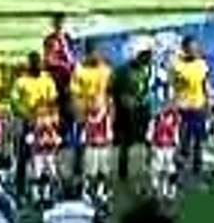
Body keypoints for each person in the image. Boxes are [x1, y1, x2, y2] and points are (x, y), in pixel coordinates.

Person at [11, 52, 58, 200]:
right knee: (23, 156)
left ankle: (46, 190)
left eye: (39, 63)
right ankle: (20, 189)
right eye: (34, 63)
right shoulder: (21, 81)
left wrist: (50, 117)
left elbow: (53, 100)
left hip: (44, 123)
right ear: (29, 64)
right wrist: (26, 115)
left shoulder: (47, 79)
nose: (37, 65)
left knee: (46, 156)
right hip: (27, 123)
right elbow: (14, 102)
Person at [71, 39, 113, 174]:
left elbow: (109, 93)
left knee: (102, 145)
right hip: (84, 112)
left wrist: (109, 113)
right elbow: (75, 94)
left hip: (102, 113)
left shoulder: (106, 70)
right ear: (87, 53)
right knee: (82, 144)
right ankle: (79, 173)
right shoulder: (79, 70)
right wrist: (79, 112)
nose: (97, 55)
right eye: (93, 52)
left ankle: (100, 177)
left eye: (98, 52)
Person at [111, 45, 152, 181]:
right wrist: (124, 101)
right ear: (138, 57)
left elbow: (145, 87)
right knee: (126, 142)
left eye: (149, 60)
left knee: (143, 139)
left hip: (140, 109)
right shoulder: (123, 70)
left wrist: (143, 99)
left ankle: (142, 166)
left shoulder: (145, 69)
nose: (147, 62)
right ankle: (123, 170)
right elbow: (114, 90)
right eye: (145, 58)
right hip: (125, 111)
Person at [171, 36, 210, 176]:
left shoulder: (203, 64)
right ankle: (178, 172)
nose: (194, 50)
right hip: (183, 109)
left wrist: (208, 103)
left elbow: (206, 85)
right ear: (184, 49)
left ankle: (197, 171)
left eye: (195, 47)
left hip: (198, 108)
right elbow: (174, 85)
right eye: (190, 48)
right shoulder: (177, 65)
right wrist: (180, 82)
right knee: (183, 142)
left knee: (199, 142)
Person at [43, 12, 76, 133]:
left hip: (63, 80)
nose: (60, 26)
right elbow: (48, 60)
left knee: (65, 108)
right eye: (58, 23)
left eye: (62, 23)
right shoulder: (51, 39)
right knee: (61, 107)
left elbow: (72, 58)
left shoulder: (66, 38)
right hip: (57, 81)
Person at [28, 106, 63, 207]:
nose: (43, 120)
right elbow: (30, 140)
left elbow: (57, 140)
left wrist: (52, 141)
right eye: (40, 117)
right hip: (38, 155)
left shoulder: (51, 129)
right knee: (37, 176)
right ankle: (37, 197)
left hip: (49, 154)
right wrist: (37, 142)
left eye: (45, 117)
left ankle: (47, 196)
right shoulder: (35, 130)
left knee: (50, 175)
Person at [82, 100, 113, 207]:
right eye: (92, 103)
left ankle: (102, 192)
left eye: (97, 103)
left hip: (102, 148)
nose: (94, 105)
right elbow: (84, 135)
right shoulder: (88, 118)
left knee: (103, 171)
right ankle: (89, 192)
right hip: (91, 148)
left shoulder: (105, 118)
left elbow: (109, 135)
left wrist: (104, 140)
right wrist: (89, 140)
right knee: (90, 172)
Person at [147, 103, 182, 201]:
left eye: (167, 106)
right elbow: (149, 136)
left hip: (169, 148)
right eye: (162, 107)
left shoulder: (174, 120)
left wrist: (176, 148)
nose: (164, 108)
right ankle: (156, 189)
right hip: (157, 148)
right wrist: (150, 149)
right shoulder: (155, 120)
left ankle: (170, 190)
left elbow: (176, 135)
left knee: (170, 170)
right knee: (155, 170)